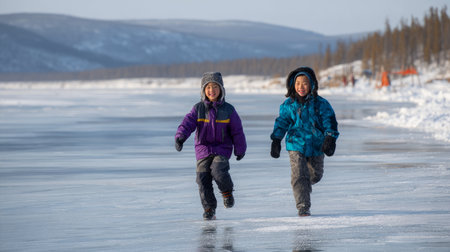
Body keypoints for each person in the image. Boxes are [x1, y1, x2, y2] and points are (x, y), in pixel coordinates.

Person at [175, 72, 247, 220]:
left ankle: (227, 192)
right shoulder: (198, 109)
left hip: (222, 148)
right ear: (203, 90)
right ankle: (209, 209)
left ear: (221, 89)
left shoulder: (229, 110)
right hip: (203, 149)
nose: (211, 90)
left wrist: (240, 149)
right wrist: (180, 137)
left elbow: (237, 131)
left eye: (215, 86)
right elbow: (187, 124)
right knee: (202, 178)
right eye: (208, 87)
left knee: (218, 171)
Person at [270, 66, 339, 216]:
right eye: (298, 83)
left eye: (305, 83)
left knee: (315, 175)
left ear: (312, 85)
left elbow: (330, 121)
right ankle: (303, 207)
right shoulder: (289, 105)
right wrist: (276, 139)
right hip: (295, 144)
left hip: (316, 145)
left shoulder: (321, 104)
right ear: (293, 85)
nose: (301, 87)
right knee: (299, 175)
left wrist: (330, 138)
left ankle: (303, 185)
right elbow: (282, 122)